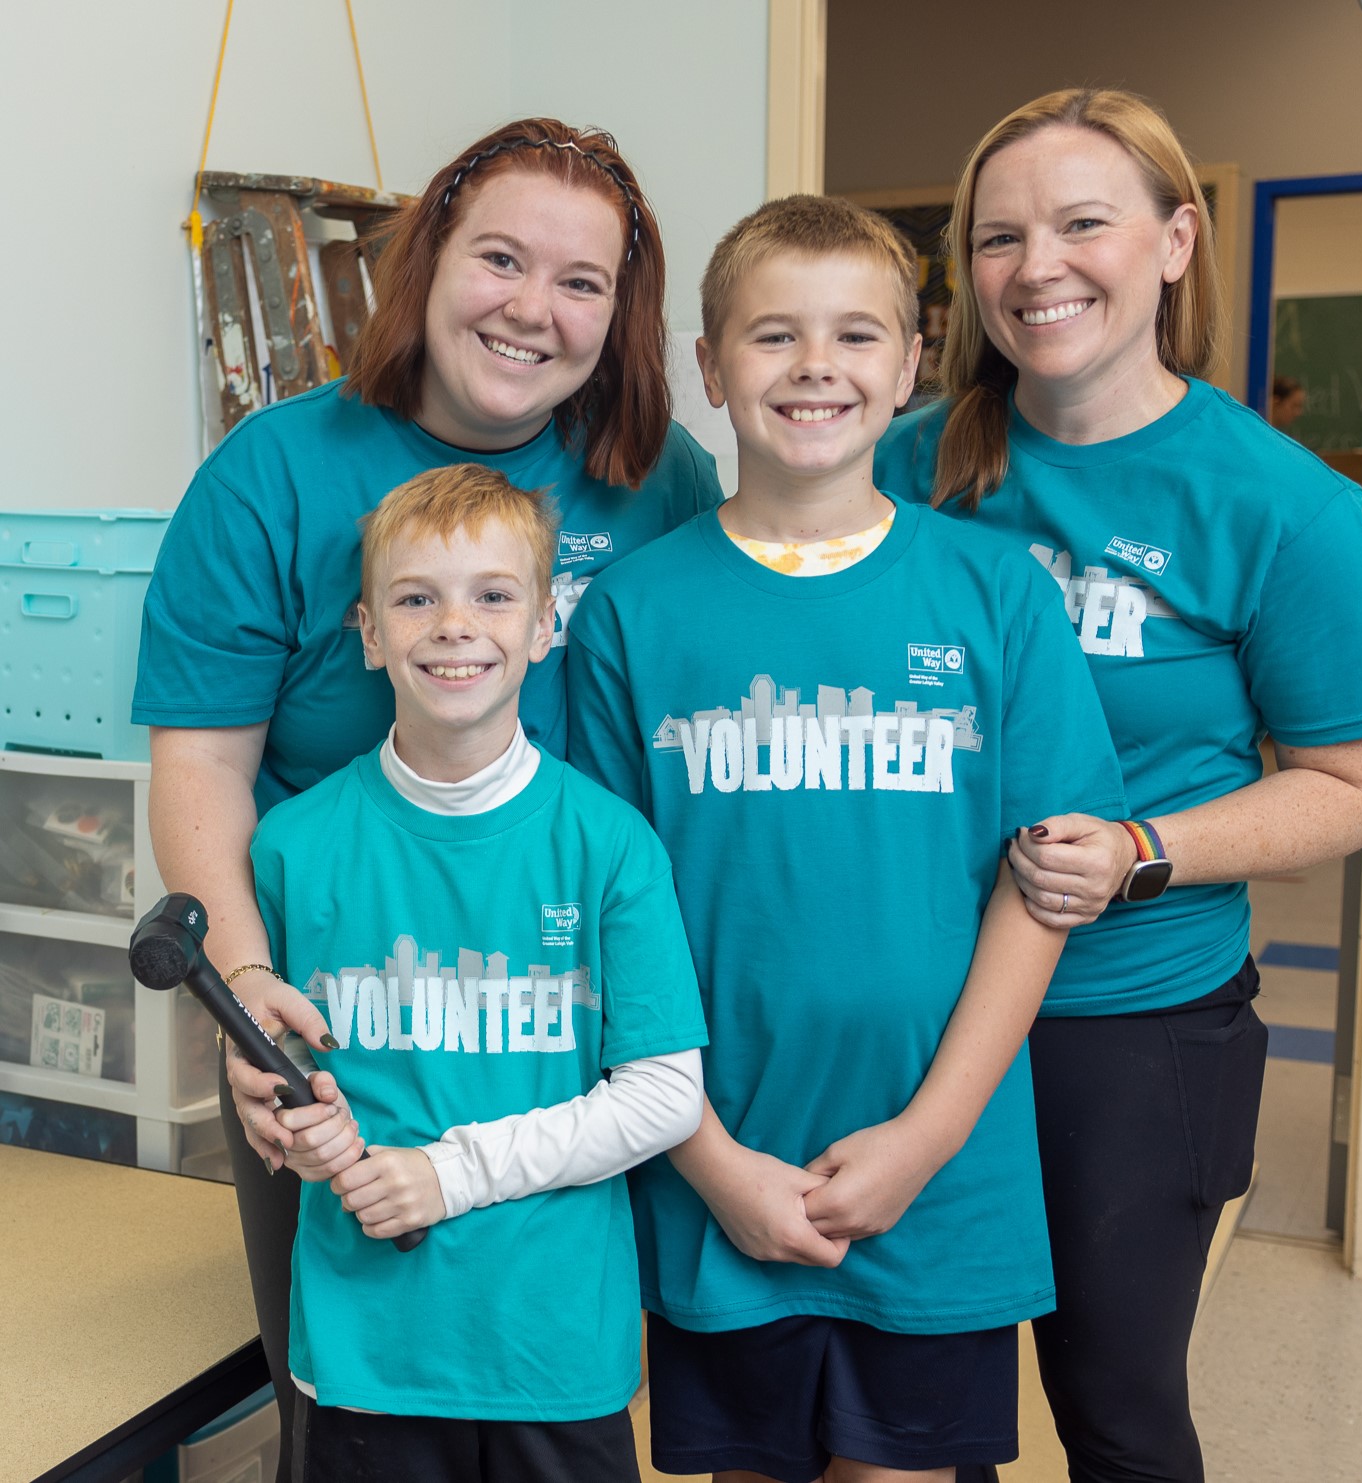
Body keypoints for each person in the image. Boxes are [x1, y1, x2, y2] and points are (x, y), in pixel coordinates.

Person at [130, 116, 722, 1470]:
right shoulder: (272, 477)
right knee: (342, 1383)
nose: (533, 308)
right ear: (427, 259)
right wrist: (248, 981)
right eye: (499, 258)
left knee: (546, 1362)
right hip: (346, 1006)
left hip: (564, 1010)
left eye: (581, 282)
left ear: (618, 312)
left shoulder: (658, 481)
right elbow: (203, 763)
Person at [873, 89, 1362, 1483]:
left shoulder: (1277, 508)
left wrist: (1139, 846)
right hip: (903, 998)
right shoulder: (901, 461)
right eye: (996, 235)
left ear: (1174, 241)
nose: (1034, 264)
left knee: (1112, 1408)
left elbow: (1353, 780)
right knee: (916, 1404)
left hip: (1125, 1022)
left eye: (1079, 224)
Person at [567, 194, 1126, 1483]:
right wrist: (708, 1162)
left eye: (855, 335)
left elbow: (1040, 892)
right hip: (717, 1167)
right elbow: (598, 923)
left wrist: (926, 1137)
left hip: (940, 1173)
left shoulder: (994, 597)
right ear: (709, 369)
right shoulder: (635, 614)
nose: (815, 366)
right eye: (772, 337)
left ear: (912, 361)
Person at [250, 464, 707, 1481]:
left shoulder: (609, 845)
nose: (455, 625)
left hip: (553, 1347)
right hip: (369, 1350)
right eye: (417, 598)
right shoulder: (289, 848)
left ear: (546, 624)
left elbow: (666, 1096)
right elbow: (272, 1081)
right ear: (369, 633)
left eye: (493, 595)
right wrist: (291, 1128)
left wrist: (446, 1173)